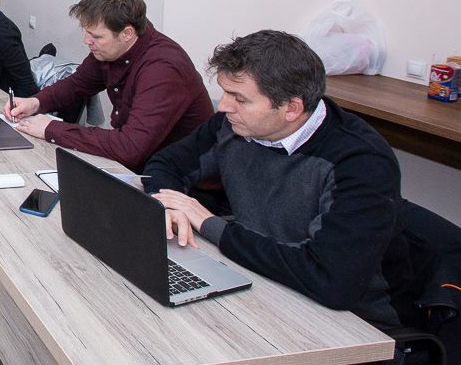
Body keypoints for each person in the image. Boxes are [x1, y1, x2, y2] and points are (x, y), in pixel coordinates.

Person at [143, 30, 410, 328]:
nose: (224, 106)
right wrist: (170, 206)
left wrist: (209, 224)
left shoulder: (360, 162)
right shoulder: (233, 126)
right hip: (259, 281)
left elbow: (330, 279)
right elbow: (166, 164)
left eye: (239, 98)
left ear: (291, 108)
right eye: (226, 92)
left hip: (346, 322)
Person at [5, 0, 213, 171]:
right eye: (87, 32)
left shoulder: (163, 69)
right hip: (142, 167)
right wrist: (36, 102)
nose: (87, 41)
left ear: (127, 34)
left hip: (181, 182)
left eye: (96, 36)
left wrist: (52, 129)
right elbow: (76, 85)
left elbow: (130, 147)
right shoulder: (111, 50)